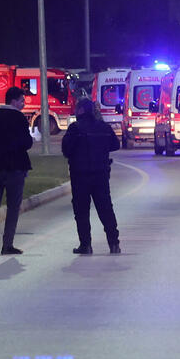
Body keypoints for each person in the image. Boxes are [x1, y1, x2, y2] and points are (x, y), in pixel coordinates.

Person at [61, 98, 121, 255]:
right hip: (100, 174)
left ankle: (85, 245)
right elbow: (115, 144)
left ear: (81, 110)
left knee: (81, 211)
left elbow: (66, 149)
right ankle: (114, 243)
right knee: (106, 208)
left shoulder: (75, 128)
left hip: (79, 175)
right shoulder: (103, 127)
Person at [0, 87, 34, 255]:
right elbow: (27, 142)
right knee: (13, 208)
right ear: (13, 101)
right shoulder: (19, 118)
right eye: (22, 100)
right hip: (15, 167)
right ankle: (7, 245)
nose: (24, 103)